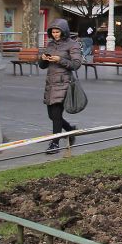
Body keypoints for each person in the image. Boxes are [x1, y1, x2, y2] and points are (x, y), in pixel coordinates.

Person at [38, 18, 83, 154]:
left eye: (58, 31)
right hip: (51, 83)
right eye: (53, 32)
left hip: (64, 83)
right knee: (52, 115)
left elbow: (76, 64)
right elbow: (42, 66)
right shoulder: (50, 45)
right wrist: (43, 58)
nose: (55, 34)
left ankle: (54, 143)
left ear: (64, 31)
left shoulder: (72, 44)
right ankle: (70, 131)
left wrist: (60, 60)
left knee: (56, 114)